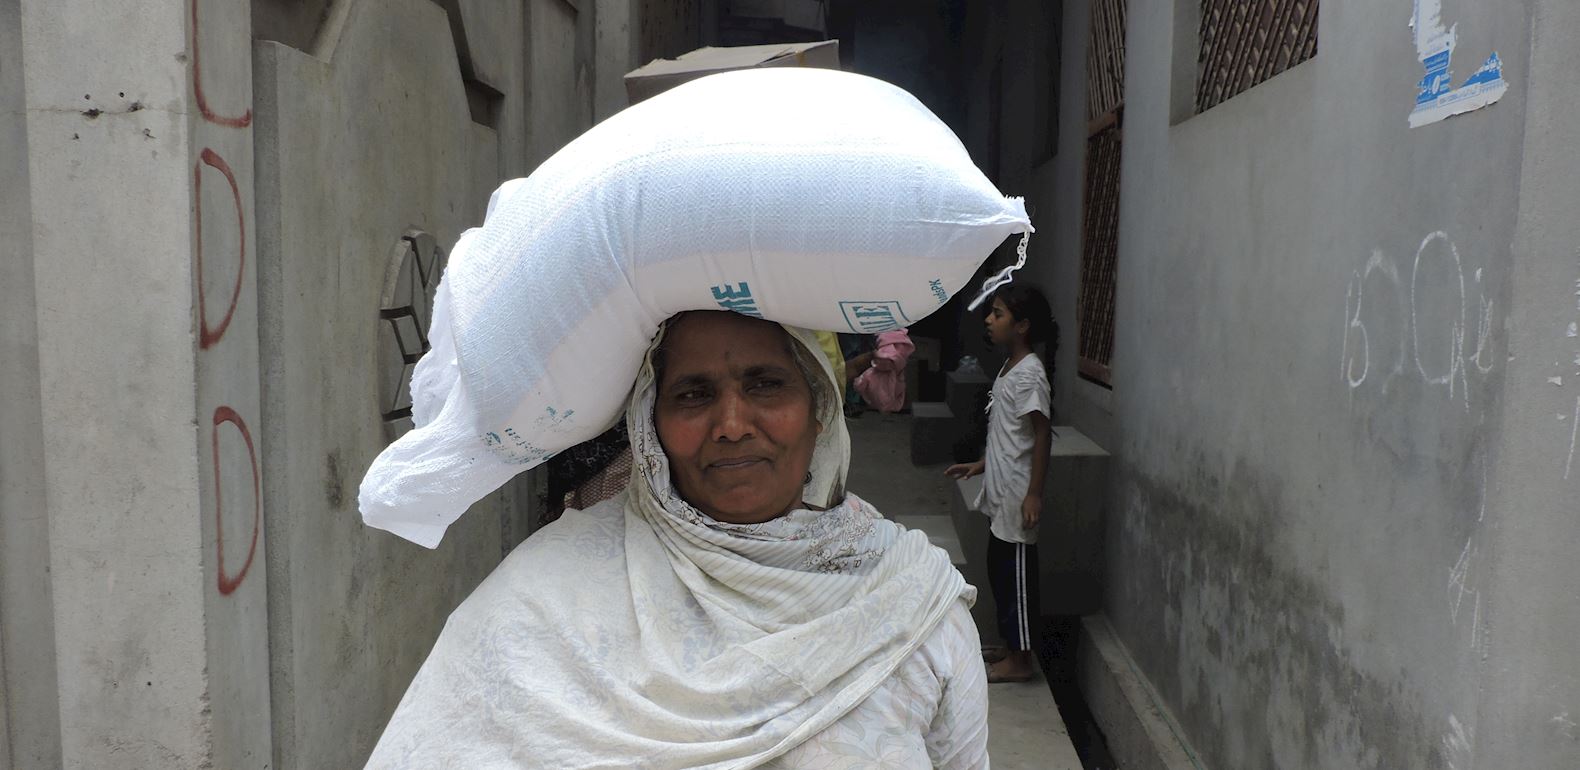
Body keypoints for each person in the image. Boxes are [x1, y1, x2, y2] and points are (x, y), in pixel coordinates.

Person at [366, 310, 988, 769]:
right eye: (693, 394)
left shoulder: (911, 599)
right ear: (650, 423)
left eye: (766, 384)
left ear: (819, 406)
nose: (732, 425)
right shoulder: (540, 600)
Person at [945, 284, 1055, 684]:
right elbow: (1010, 434)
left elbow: (1041, 435)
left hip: (1018, 494)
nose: (989, 321)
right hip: (1002, 489)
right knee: (1000, 571)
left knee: (1017, 577)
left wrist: (1034, 494)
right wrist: (980, 465)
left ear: (1021, 325)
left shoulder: (1030, 374)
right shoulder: (1010, 367)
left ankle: (1021, 660)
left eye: (998, 314)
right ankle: (1011, 646)